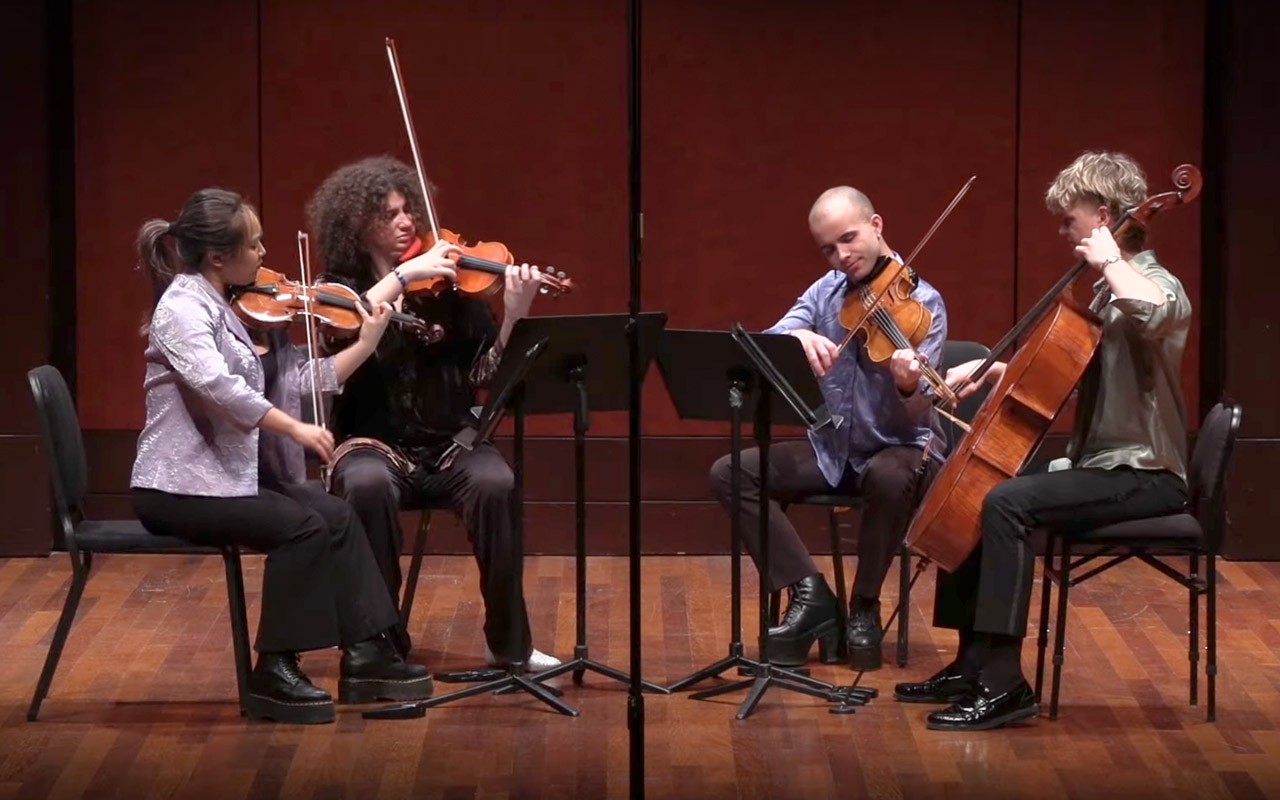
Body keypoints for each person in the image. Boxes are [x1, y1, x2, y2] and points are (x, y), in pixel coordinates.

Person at [895, 151, 1192, 731]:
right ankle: (973, 661)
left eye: (1070, 220)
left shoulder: (1152, 282)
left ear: (1103, 217)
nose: (1064, 233)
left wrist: (1111, 261)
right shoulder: (1107, 291)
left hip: (1145, 473)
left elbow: (1158, 314)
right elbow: (1076, 367)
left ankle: (1006, 685)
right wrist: (992, 369)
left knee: (1007, 503)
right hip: (1101, 464)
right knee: (986, 488)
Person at [130, 187, 435, 724]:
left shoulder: (229, 305)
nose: (266, 254)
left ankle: (366, 656)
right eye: (255, 244)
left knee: (336, 513)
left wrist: (365, 342)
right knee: (302, 527)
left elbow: (298, 380)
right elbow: (218, 386)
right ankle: (274, 668)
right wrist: (293, 428)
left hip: (229, 478)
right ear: (219, 257)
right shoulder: (181, 309)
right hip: (178, 487)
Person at [306, 155, 561, 671]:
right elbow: (340, 331)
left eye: (407, 211)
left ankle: (509, 642)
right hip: (371, 443)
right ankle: (379, 642)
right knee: (367, 486)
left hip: (450, 444)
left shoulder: (452, 286)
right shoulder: (337, 287)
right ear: (357, 224)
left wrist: (513, 315)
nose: (405, 222)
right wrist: (403, 276)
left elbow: (486, 375)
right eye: (388, 214)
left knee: (496, 483)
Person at [709, 186, 948, 670]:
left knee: (889, 476)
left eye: (849, 239)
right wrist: (796, 334)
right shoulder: (825, 292)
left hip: (899, 448)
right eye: (828, 248)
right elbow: (767, 343)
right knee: (731, 471)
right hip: (833, 450)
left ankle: (863, 605)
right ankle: (810, 590)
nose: (841, 257)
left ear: (877, 225)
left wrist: (906, 386)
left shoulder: (925, 303)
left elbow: (920, 414)